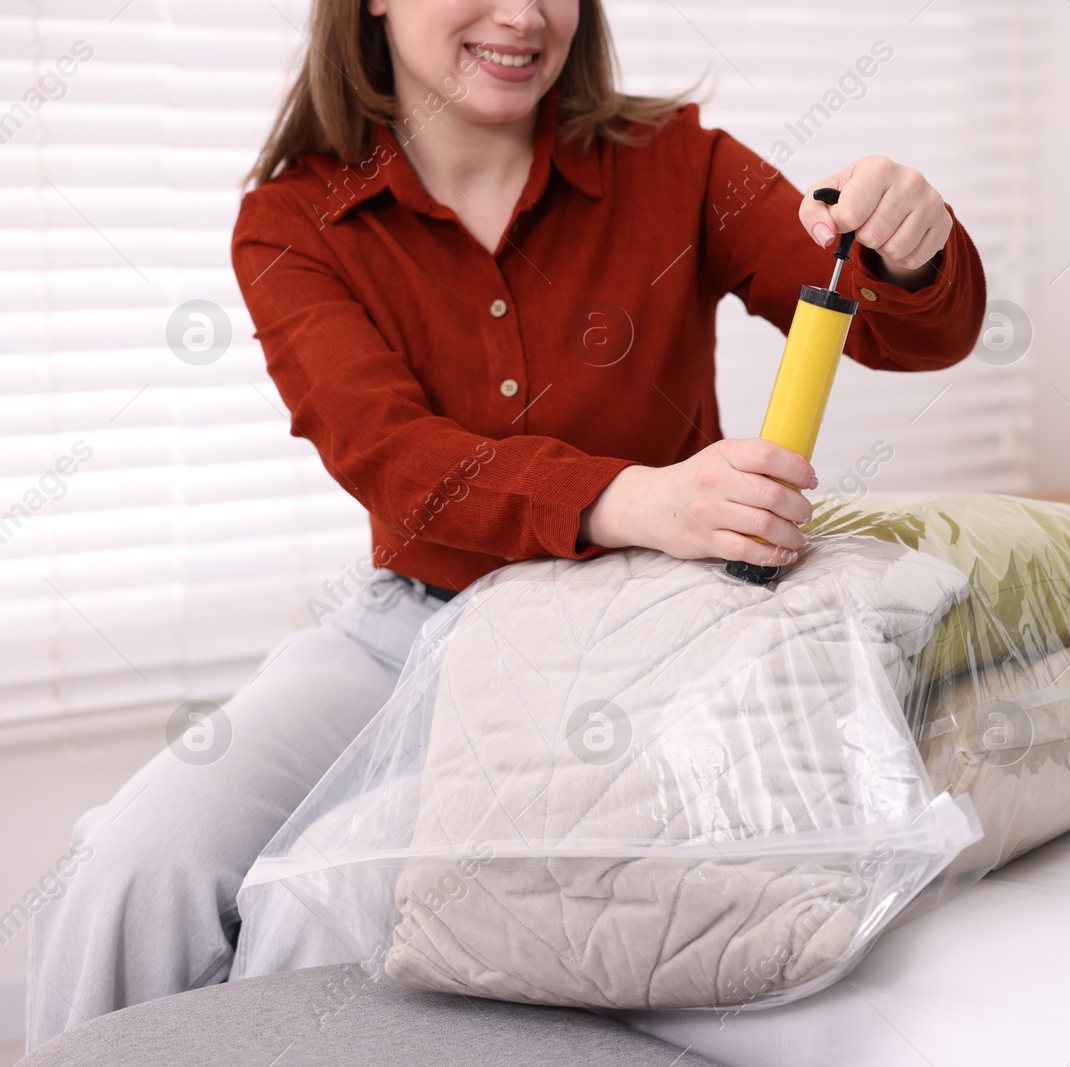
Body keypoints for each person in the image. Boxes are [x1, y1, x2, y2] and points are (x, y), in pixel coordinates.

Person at [26, 0, 985, 1048]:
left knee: (318, 898)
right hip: (402, 627)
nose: (525, 16)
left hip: (615, 638)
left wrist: (908, 249)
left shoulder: (677, 163)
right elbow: (392, 456)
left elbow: (903, 330)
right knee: (133, 859)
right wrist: (634, 496)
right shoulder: (294, 219)